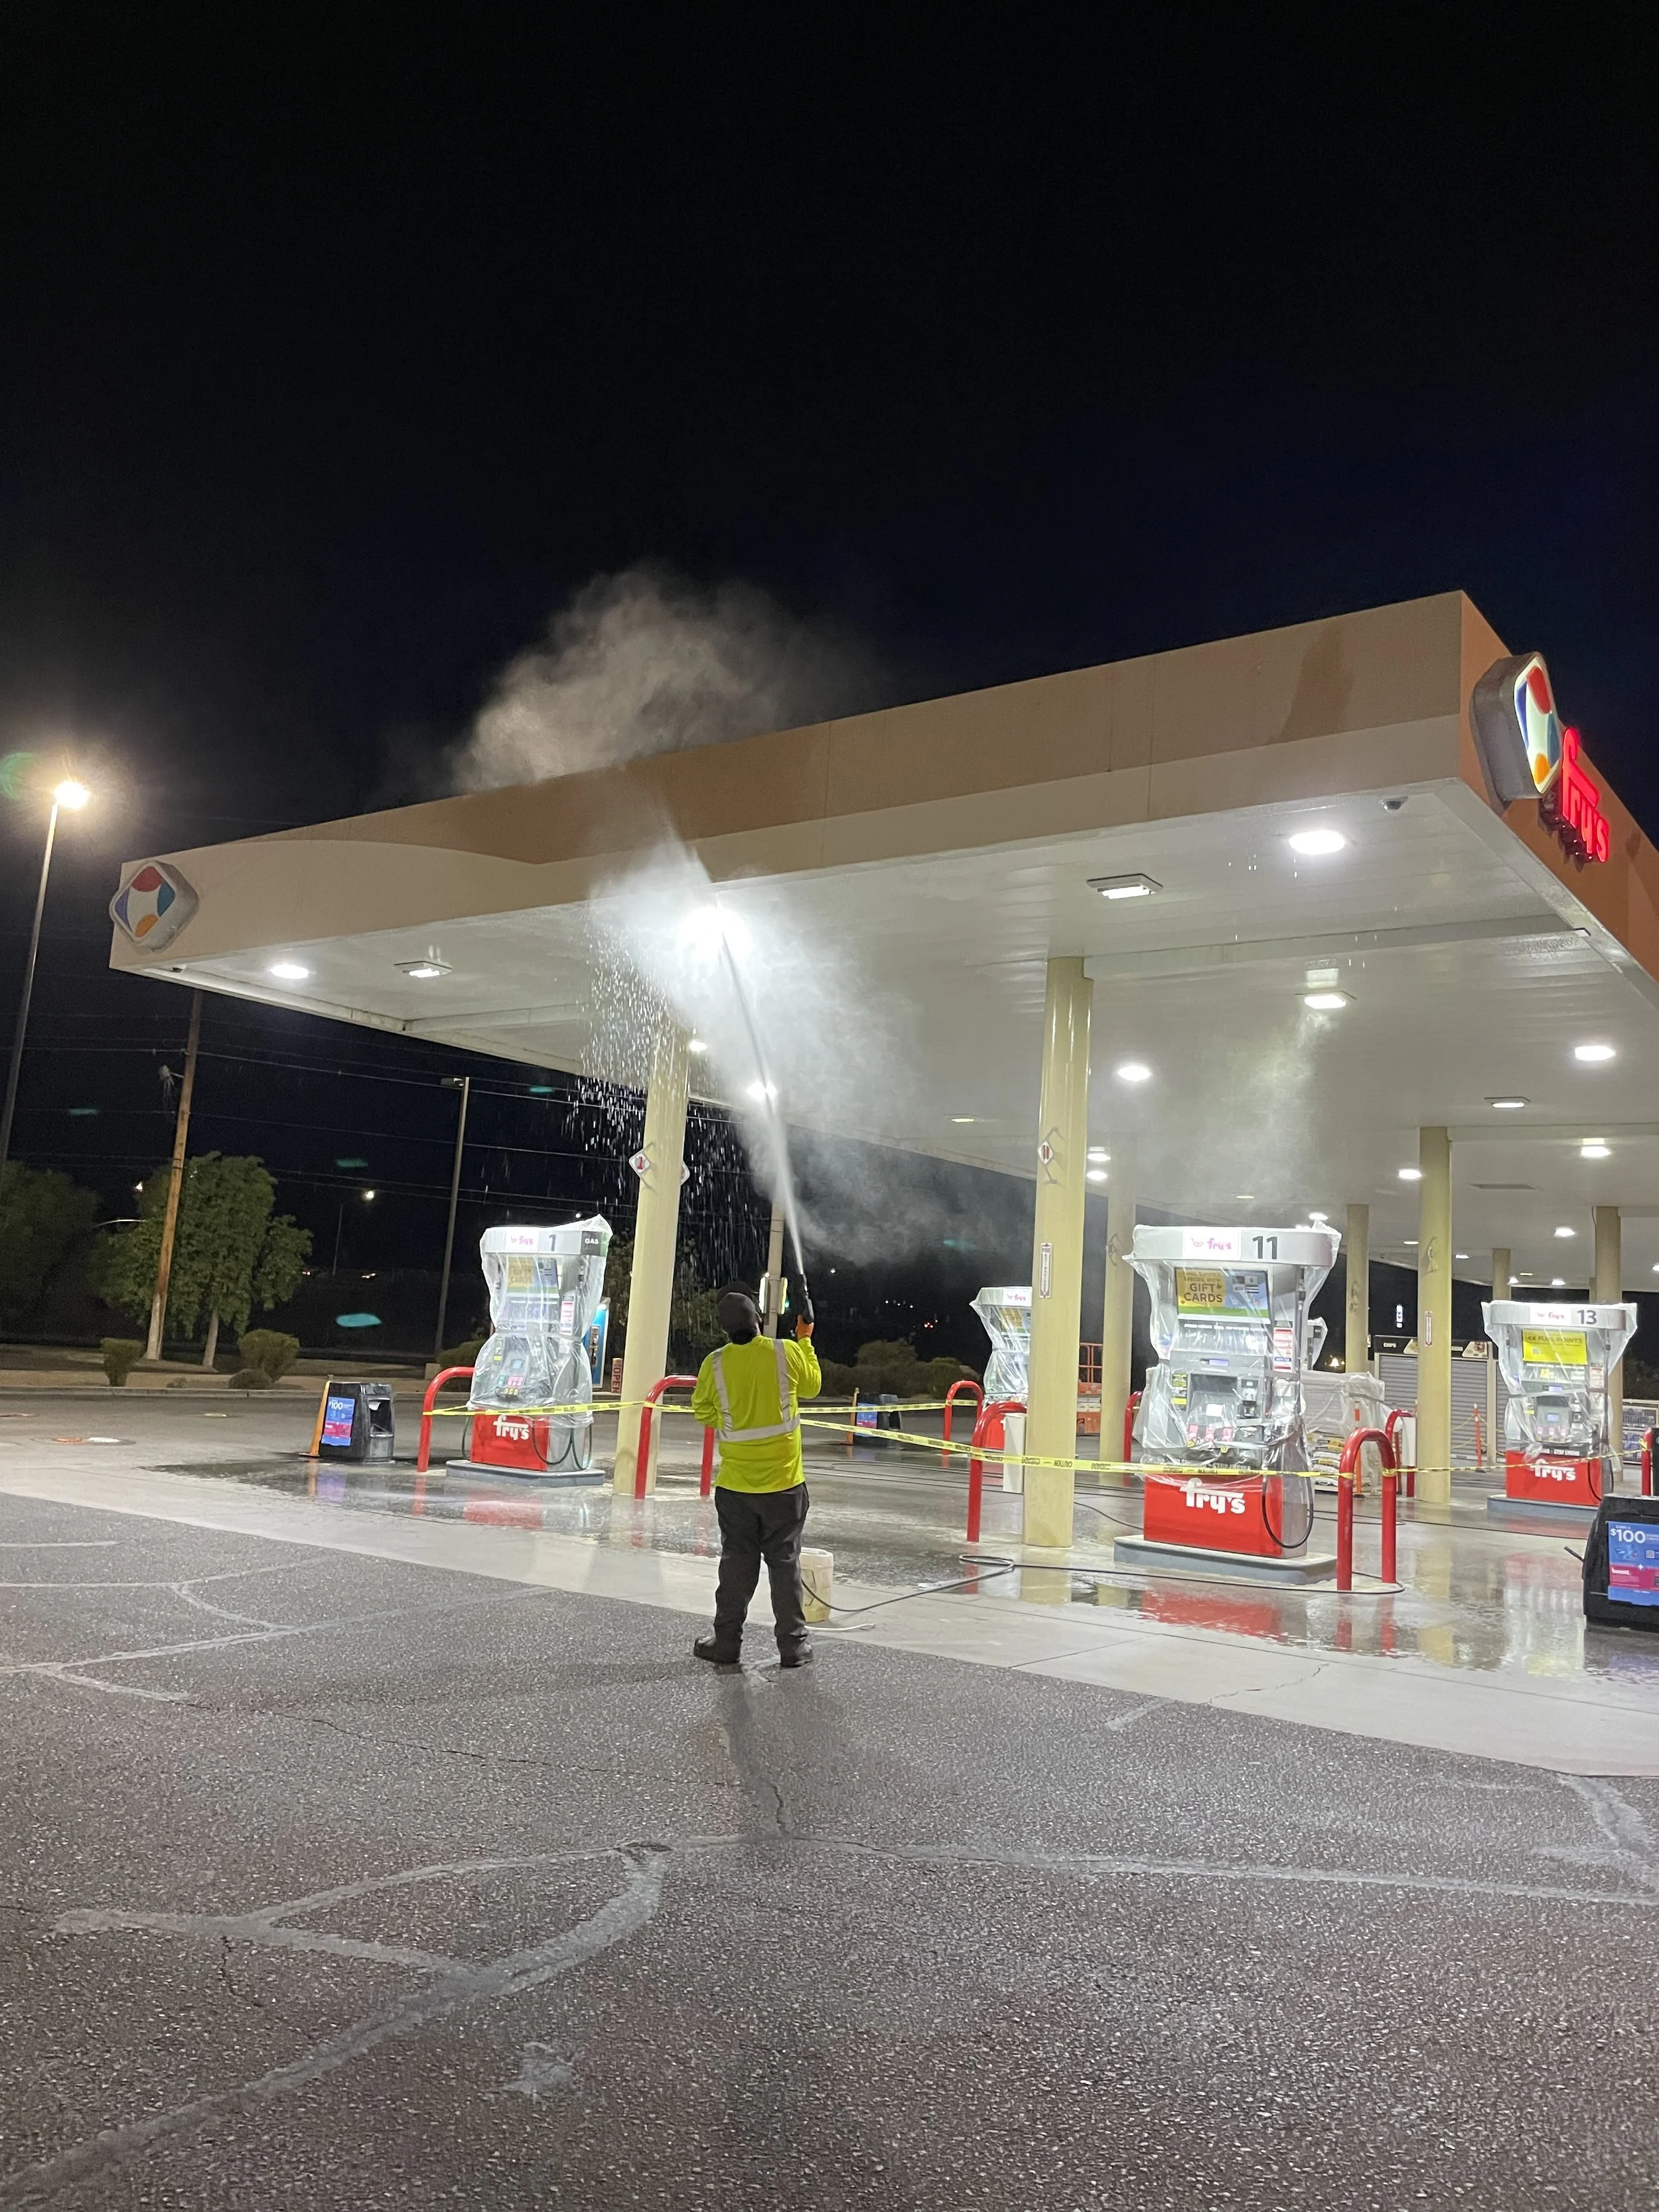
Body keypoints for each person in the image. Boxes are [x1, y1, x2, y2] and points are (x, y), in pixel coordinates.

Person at [689, 1280, 822, 1668]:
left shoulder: (714, 1364)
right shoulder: (786, 1353)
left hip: (735, 1489)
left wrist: (730, 1422)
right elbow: (813, 1386)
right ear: (761, 1320)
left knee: (736, 1566)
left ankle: (726, 1644)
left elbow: (702, 1411)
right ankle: (793, 1647)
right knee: (785, 1566)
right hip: (785, 1487)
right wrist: (806, 1340)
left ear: (725, 1330)